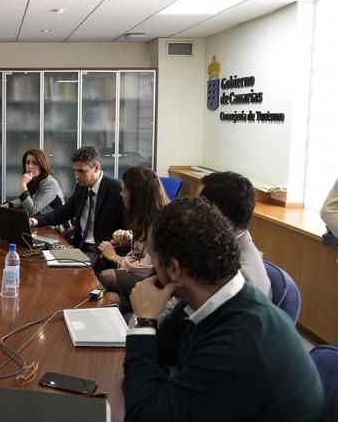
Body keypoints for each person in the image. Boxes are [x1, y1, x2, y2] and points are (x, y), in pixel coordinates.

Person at [123, 197, 325, 422]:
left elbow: (141, 417)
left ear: (173, 269)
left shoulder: (239, 345)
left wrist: (143, 321)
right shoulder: (208, 296)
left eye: (154, 259)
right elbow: (159, 354)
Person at [30, 146, 124, 262]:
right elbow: (64, 212)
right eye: (74, 170)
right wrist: (34, 221)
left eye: (81, 171)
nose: (76, 176)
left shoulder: (116, 188)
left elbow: (130, 226)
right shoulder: (82, 186)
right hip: (78, 244)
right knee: (41, 257)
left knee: (65, 267)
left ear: (97, 168)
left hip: (100, 248)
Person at [96, 166, 169, 312]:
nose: (121, 194)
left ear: (136, 195)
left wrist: (115, 257)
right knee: (110, 299)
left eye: (124, 190)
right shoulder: (144, 217)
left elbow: (146, 269)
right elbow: (141, 248)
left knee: (106, 276)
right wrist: (129, 236)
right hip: (145, 273)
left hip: (156, 281)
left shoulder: (160, 223)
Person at [198, 171, 271, 298]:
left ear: (217, 213)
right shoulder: (218, 245)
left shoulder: (237, 275)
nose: (192, 212)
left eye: (198, 207)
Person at [2, 149, 65, 216]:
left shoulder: (50, 183)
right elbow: (28, 200)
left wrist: (23, 185)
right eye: (27, 162)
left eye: (35, 163)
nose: (30, 166)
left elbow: (31, 210)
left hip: (55, 225)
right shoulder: (33, 179)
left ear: (42, 165)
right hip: (39, 221)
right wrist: (9, 204)